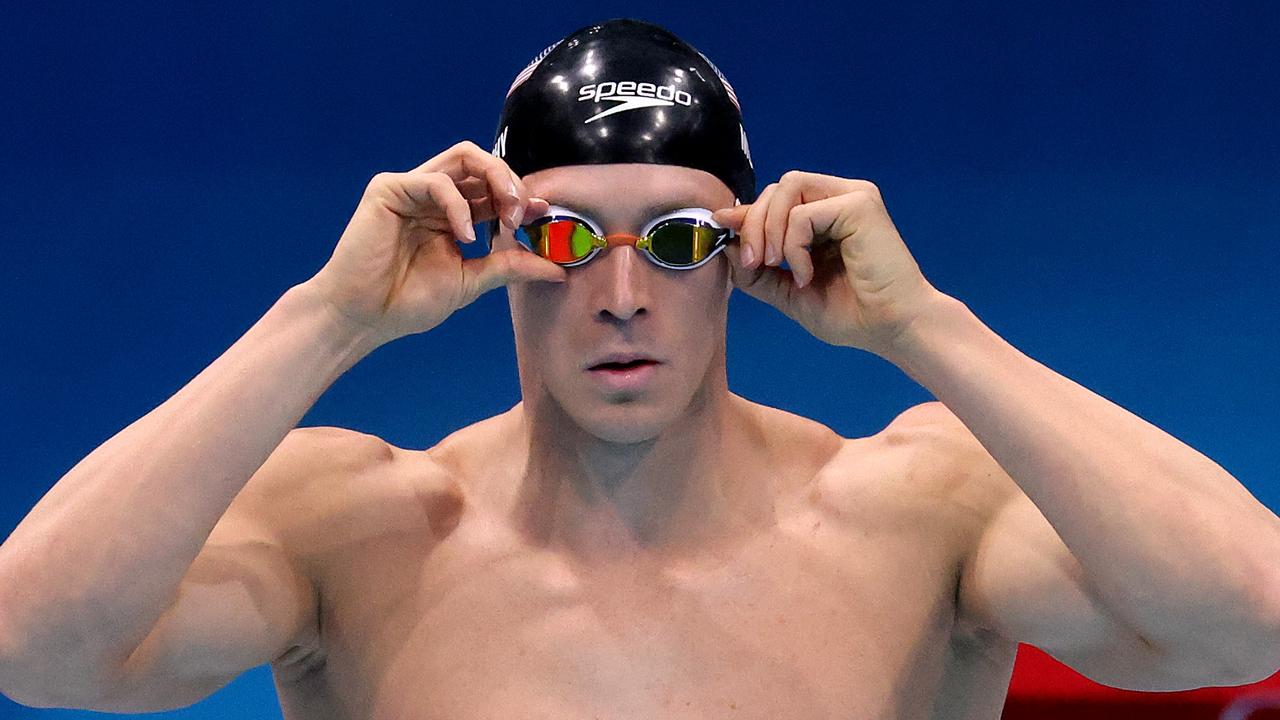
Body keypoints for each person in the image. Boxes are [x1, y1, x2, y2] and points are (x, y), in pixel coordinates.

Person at [1, 17, 1277, 719]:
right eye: (562, 236)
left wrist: (926, 325)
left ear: (741, 251)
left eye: (674, 241)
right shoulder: (359, 528)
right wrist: (324, 319)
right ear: (492, 239)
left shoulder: (914, 511)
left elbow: (1245, 613)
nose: (618, 295)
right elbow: (34, 649)